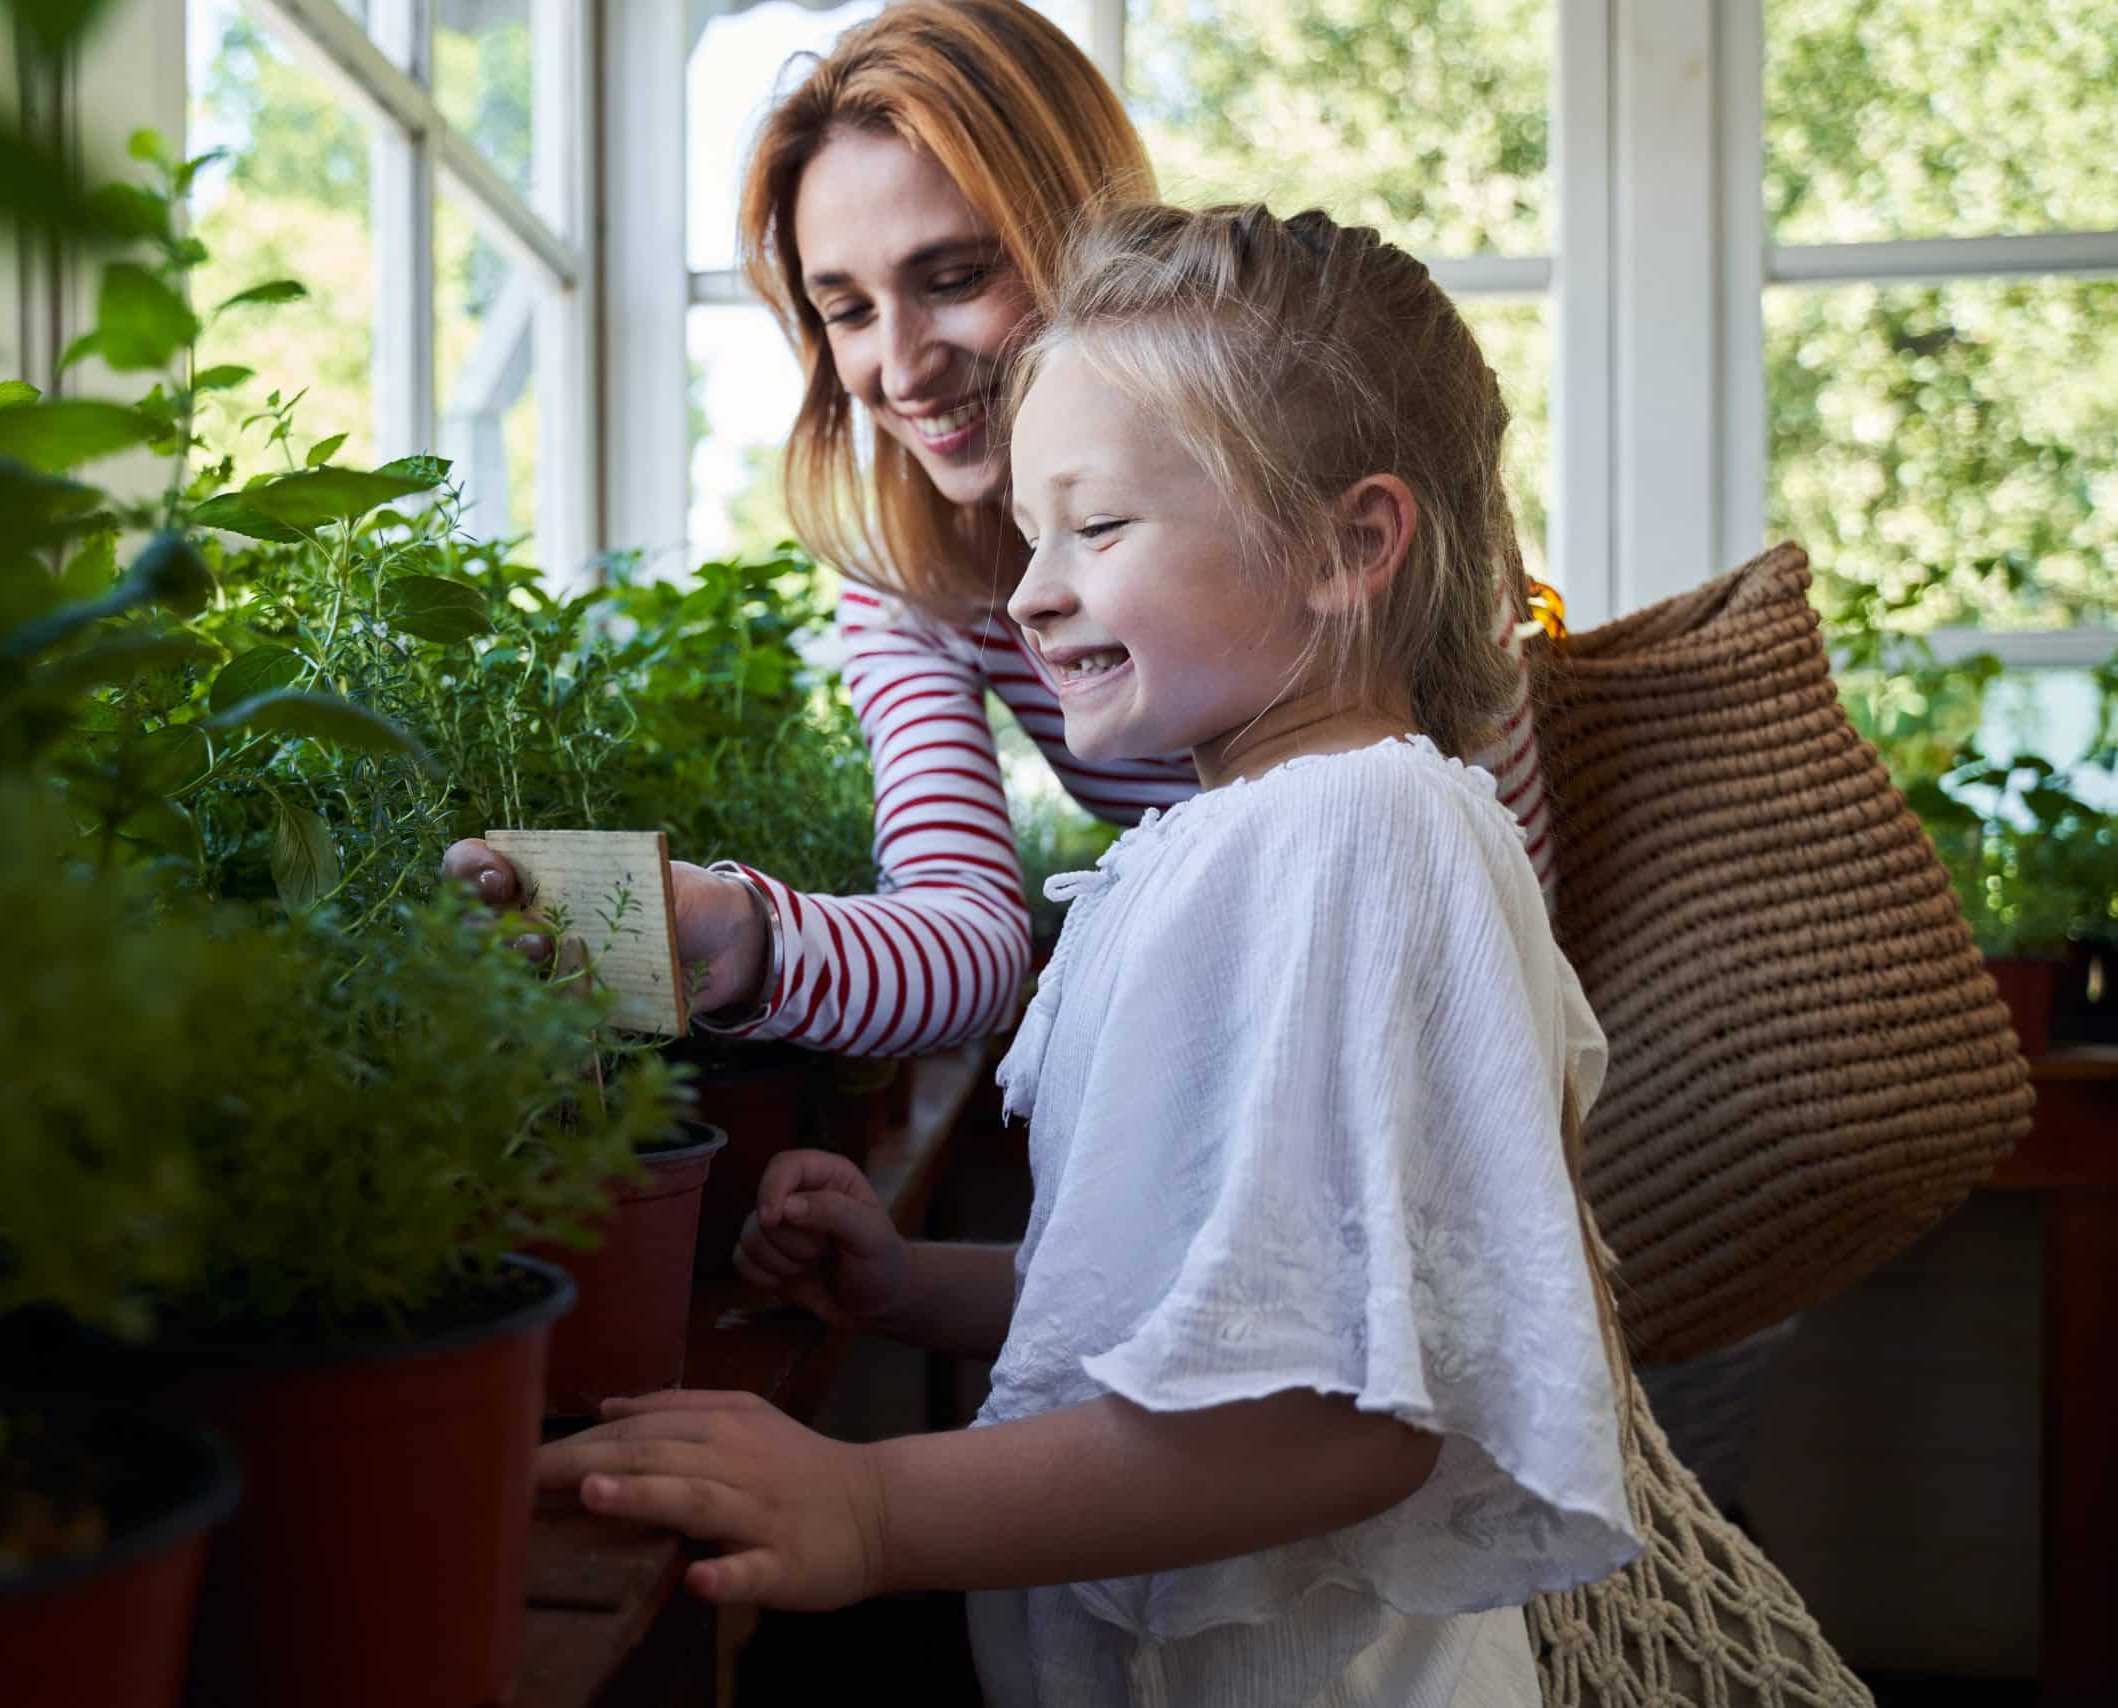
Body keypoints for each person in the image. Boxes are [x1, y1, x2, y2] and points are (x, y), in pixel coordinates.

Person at [536, 198, 1639, 1705]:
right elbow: (1202, 1310)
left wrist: (870, 1503)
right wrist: (909, 1286)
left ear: (1347, 541)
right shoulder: (1230, 842)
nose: (1032, 590)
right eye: (1031, 534)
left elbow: (1336, 1417)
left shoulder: (1355, 834)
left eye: (1097, 528)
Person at [444, 0, 1555, 1055]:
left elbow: (1495, 918)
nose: (905, 364)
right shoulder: (909, 584)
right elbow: (967, 932)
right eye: (846, 309)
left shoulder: (1304, 476)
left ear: (1085, 243)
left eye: (956, 275)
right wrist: (741, 930)